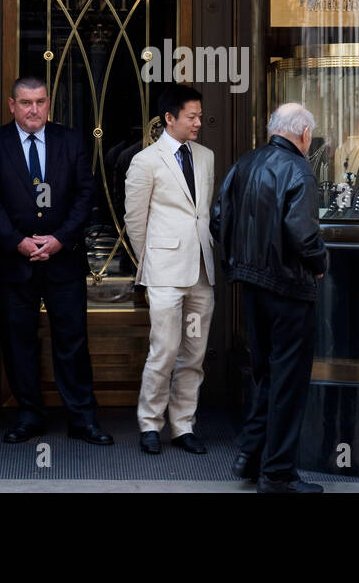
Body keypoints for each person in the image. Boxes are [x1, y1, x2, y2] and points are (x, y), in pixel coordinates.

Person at [0, 76, 113, 445]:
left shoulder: (70, 140)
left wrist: (60, 240)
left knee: (72, 340)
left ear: (48, 103)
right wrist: (18, 242)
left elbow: (86, 194)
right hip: (12, 261)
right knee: (19, 341)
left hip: (62, 259)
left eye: (40, 102)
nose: (34, 109)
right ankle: (30, 415)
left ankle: (82, 419)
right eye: (25, 103)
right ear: (11, 104)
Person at [212, 102, 327, 493]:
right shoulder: (298, 170)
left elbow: (217, 218)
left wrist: (238, 259)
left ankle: (249, 456)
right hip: (289, 288)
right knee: (288, 381)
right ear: (304, 134)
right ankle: (277, 474)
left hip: (252, 286)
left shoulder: (245, 163)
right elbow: (303, 235)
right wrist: (320, 261)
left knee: (265, 375)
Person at [124, 85, 216, 455]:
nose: (198, 122)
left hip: (201, 273)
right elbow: (135, 221)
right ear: (169, 119)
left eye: (199, 115)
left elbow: (203, 213)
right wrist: (150, 261)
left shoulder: (206, 157)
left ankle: (182, 425)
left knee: (194, 355)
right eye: (191, 116)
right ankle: (150, 423)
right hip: (164, 273)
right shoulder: (145, 161)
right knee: (164, 350)